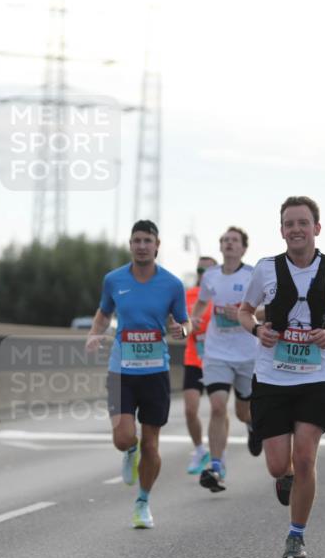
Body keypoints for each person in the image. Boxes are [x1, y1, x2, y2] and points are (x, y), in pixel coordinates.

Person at [239, 196, 325, 558]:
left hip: (315, 377)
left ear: (317, 228)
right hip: (271, 378)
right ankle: (286, 476)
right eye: (289, 223)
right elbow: (244, 312)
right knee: (279, 465)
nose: (296, 229)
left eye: (303, 223)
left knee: (306, 455)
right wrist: (257, 330)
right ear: (281, 230)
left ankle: (296, 536)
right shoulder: (265, 269)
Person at [86, 220, 188, 528]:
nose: (142, 245)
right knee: (124, 437)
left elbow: (185, 322)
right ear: (130, 245)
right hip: (121, 371)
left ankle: (142, 502)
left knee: (152, 445)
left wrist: (181, 329)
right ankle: (129, 449)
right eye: (136, 240)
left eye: (147, 240)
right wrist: (94, 333)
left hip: (155, 370)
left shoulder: (172, 284)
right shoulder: (114, 280)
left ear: (157, 245)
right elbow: (105, 312)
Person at [191, 227, 261, 493]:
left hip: (247, 354)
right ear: (220, 247)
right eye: (225, 240)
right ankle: (216, 466)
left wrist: (244, 314)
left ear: (243, 248)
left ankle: (253, 425)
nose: (229, 244)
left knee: (244, 411)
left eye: (234, 241)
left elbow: (269, 308)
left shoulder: (253, 275)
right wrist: (194, 319)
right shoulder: (210, 276)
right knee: (218, 406)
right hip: (217, 351)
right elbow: (201, 303)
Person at [183, 255, 217, 474]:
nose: (203, 275)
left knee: (219, 409)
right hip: (194, 358)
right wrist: (186, 323)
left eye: (208, 271)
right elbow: (178, 322)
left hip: (217, 360)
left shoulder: (223, 295)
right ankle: (199, 450)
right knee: (190, 409)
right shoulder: (188, 295)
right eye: (200, 270)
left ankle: (218, 458)